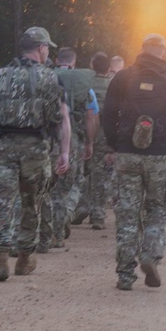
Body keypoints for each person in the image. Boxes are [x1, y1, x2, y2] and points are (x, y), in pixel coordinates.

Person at [0, 26, 71, 281]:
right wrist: (64, 152)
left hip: (3, 146)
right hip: (35, 148)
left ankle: (1, 259)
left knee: (1, 204)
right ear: (41, 48)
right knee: (31, 204)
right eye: (47, 48)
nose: (47, 52)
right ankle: (24, 259)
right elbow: (58, 118)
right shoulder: (50, 78)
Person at [101, 34, 166, 291]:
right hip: (160, 156)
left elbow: (108, 115)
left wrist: (116, 144)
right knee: (157, 208)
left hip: (127, 154)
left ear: (141, 49)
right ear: (164, 52)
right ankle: (150, 255)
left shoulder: (123, 78)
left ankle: (125, 275)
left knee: (127, 213)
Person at [45, 46, 98, 249]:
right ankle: (59, 232)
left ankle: (40, 233)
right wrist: (90, 142)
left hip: (44, 141)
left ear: (56, 60)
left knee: (43, 189)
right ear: (74, 62)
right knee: (67, 187)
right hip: (71, 139)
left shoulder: (44, 78)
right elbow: (91, 117)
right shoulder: (85, 86)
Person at [72, 52, 114, 229]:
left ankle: (81, 206)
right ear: (109, 68)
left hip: (84, 131)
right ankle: (98, 214)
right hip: (105, 134)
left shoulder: (84, 82)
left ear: (91, 66)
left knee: (82, 171)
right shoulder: (114, 84)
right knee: (101, 174)